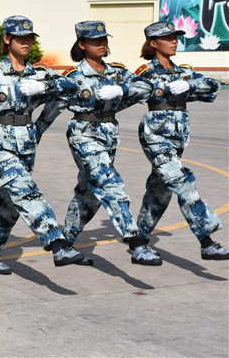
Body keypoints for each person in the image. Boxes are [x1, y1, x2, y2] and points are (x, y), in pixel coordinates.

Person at [0, 15, 85, 273]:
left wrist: (44, 86)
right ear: (7, 39)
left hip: (27, 144)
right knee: (27, 192)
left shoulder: (39, 73)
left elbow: (72, 86)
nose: (26, 42)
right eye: (20, 37)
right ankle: (57, 244)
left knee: (10, 204)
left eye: (29, 37)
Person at [38, 20, 157, 265]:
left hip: (109, 134)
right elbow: (52, 109)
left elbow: (146, 87)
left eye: (104, 40)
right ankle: (135, 242)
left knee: (88, 195)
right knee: (109, 182)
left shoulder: (117, 72)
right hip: (84, 134)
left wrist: (122, 91)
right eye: (95, 41)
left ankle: (65, 246)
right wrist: (34, 136)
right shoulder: (74, 77)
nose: (102, 44)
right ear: (82, 44)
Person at [133, 21, 228, 262]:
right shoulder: (146, 72)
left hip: (178, 137)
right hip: (155, 136)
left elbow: (213, 86)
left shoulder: (183, 72)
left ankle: (138, 239)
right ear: (153, 43)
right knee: (183, 182)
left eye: (175, 37)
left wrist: (189, 84)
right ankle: (206, 242)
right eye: (168, 38)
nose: (174, 41)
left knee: (160, 190)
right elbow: (128, 92)